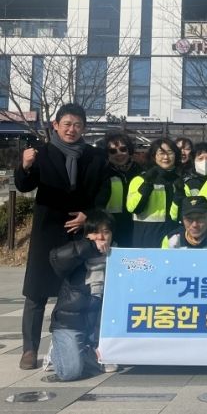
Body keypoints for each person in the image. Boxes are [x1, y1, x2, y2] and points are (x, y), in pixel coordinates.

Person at [14, 103, 108, 370]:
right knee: (36, 292)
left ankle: (75, 345)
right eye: (66, 124)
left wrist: (88, 215)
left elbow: (103, 192)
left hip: (79, 232)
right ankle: (29, 349)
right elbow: (24, 185)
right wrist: (25, 165)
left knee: (77, 291)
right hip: (47, 231)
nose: (71, 129)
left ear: (84, 128)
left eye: (77, 125)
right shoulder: (42, 153)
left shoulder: (95, 156)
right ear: (55, 125)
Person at [47, 210, 114, 381]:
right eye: (95, 232)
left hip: (97, 329)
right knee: (70, 372)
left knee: (114, 364)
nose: (101, 237)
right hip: (70, 323)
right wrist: (90, 247)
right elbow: (56, 258)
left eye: (106, 232)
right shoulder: (78, 254)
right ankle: (57, 349)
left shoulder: (118, 257)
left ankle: (84, 351)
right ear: (86, 235)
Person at [126, 138, 184, 248]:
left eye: (170, 153)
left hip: (172, 236)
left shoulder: (179, 181)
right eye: (161, 153)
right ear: (153, 156)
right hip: (146, 237)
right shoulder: (140, 179)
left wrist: (180, 192)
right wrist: (147, 184)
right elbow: (133, 208)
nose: (166, 157)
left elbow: (179, 215)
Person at [96, 131, 141, 248]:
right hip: (112, 228)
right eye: (113, 151)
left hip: (137, 227)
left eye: (123, 149)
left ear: (129, 150)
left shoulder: (141, 172)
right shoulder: (102, 173)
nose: (119, 153)